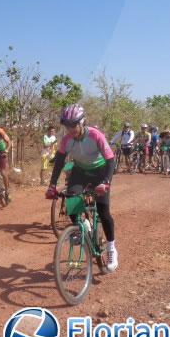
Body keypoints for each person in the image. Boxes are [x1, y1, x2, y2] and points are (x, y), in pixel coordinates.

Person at [45, 104, 118, 272]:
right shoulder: (66, 140)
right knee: (71, 201)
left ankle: (112, 248)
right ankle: (83, 225)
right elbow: (59, 163)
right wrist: (52, 185)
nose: (70, 129)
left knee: (103, 210)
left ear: (82, 122)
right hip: (80, 171)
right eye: (67, 126)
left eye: (73, 125)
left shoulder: (95, 135)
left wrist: (105, 182)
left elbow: (110, 160)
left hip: (100, 171)